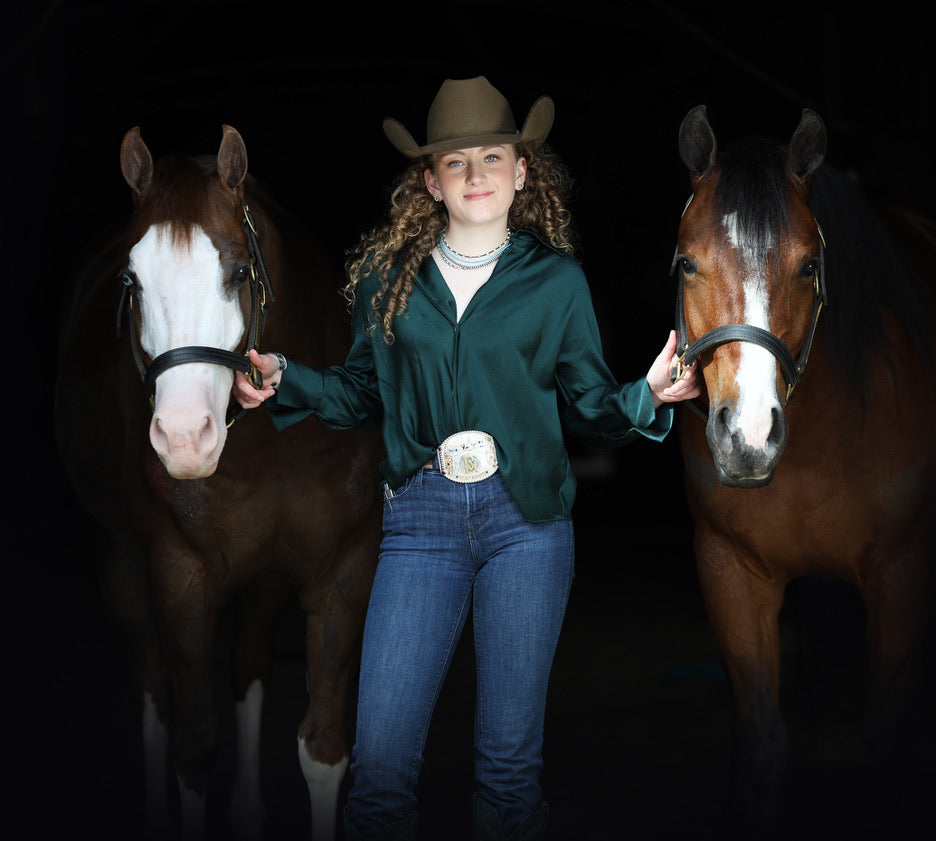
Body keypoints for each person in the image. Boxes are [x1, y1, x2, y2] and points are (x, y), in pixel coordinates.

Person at [234, 75, 699, 841]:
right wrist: (290, 376)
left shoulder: (556, 284)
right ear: (430, 181)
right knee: (380, 769)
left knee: (508, 774)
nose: (475, 174)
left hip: (529, 528)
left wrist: (643, 394)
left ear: (523, 172)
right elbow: (359, 392)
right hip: (420, 524)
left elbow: (589, 406)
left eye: (492, 157)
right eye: (456, 162)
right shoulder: (389, 281)